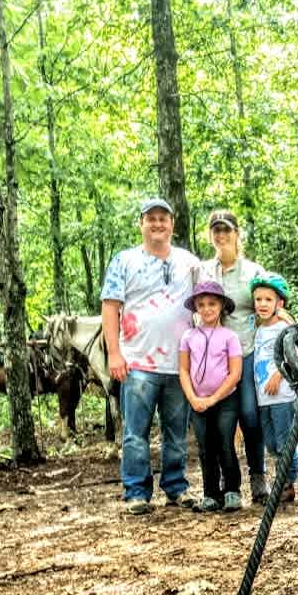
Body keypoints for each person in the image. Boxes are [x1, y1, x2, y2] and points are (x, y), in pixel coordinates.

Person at [101, 197, 201, 514]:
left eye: (163, 218)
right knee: (135, 433)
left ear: (172, 224)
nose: (157, 223)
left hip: (178, 363)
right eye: (151, 218)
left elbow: (206, 303)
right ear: (141, 224)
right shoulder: (124, 261)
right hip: (137, 361)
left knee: (176, 433)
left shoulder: (189, 262)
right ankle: (136, 492)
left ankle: (175, 487)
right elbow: (110, 307)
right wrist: (114, 354)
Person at [201, 209, 276, 505]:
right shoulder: (204, 270)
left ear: (237, 234)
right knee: (220, 420)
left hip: (247, 351)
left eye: (226, 230)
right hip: (213, 356)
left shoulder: (252, 271)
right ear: (210, 235)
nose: (221, 236)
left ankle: (258, 476)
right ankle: (225, 480)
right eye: (216, 230)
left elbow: (270, 301)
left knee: (249, 415)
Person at [179, 281, 243, 513]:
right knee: (205, 447)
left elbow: (235, 373)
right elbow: (184, 370)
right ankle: (210, 494)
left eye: (212, 304)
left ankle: (232, 491)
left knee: (225, 443)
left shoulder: (229, 336)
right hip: (197, 401)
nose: (207, 309)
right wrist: (193, 398)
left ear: (222, 306)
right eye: (202, 304)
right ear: (196, 307)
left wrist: (214, 398)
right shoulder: (188, 336)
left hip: (225, 400)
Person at [251, 274, 298, 504]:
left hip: (282, 394)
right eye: (258, 299)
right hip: (263, 397)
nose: (262, 304)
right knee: (271, 443)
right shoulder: (259, 329)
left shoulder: (284, 327)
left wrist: (278, 375)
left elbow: (296, 354)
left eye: (268, 299)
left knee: (283, 442)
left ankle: (287, 484)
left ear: (279, 303)